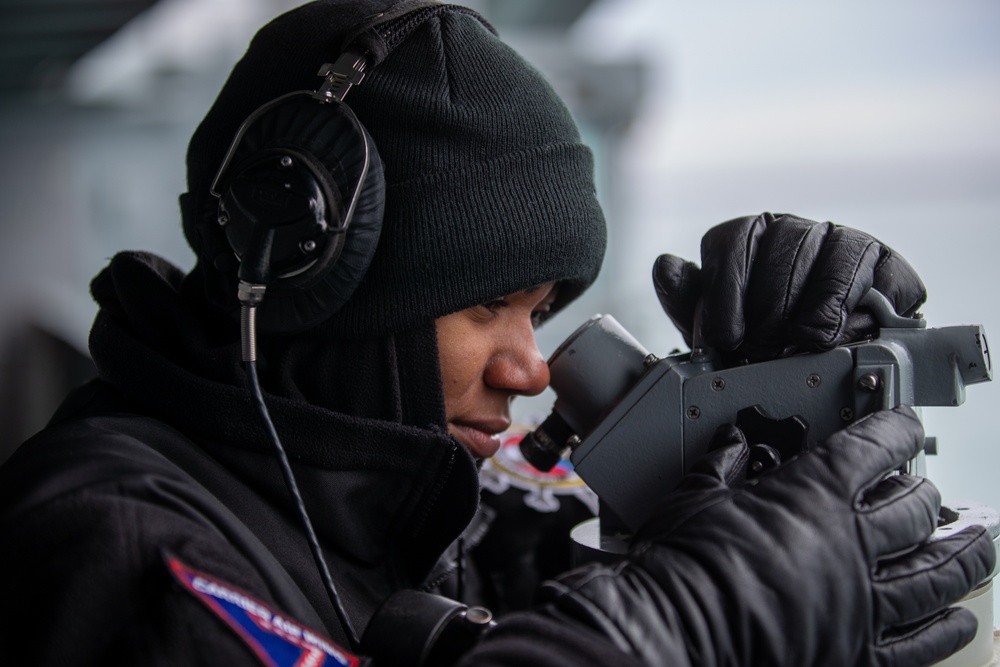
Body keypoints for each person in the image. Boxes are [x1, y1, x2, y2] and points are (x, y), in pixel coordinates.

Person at [0, 1, 993, 665]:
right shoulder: (113, 543)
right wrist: (689, 625)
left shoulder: (432, 502)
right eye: (487, 308)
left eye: (540, 310)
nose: (528, 367)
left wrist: (771, 431)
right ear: (314, 276)